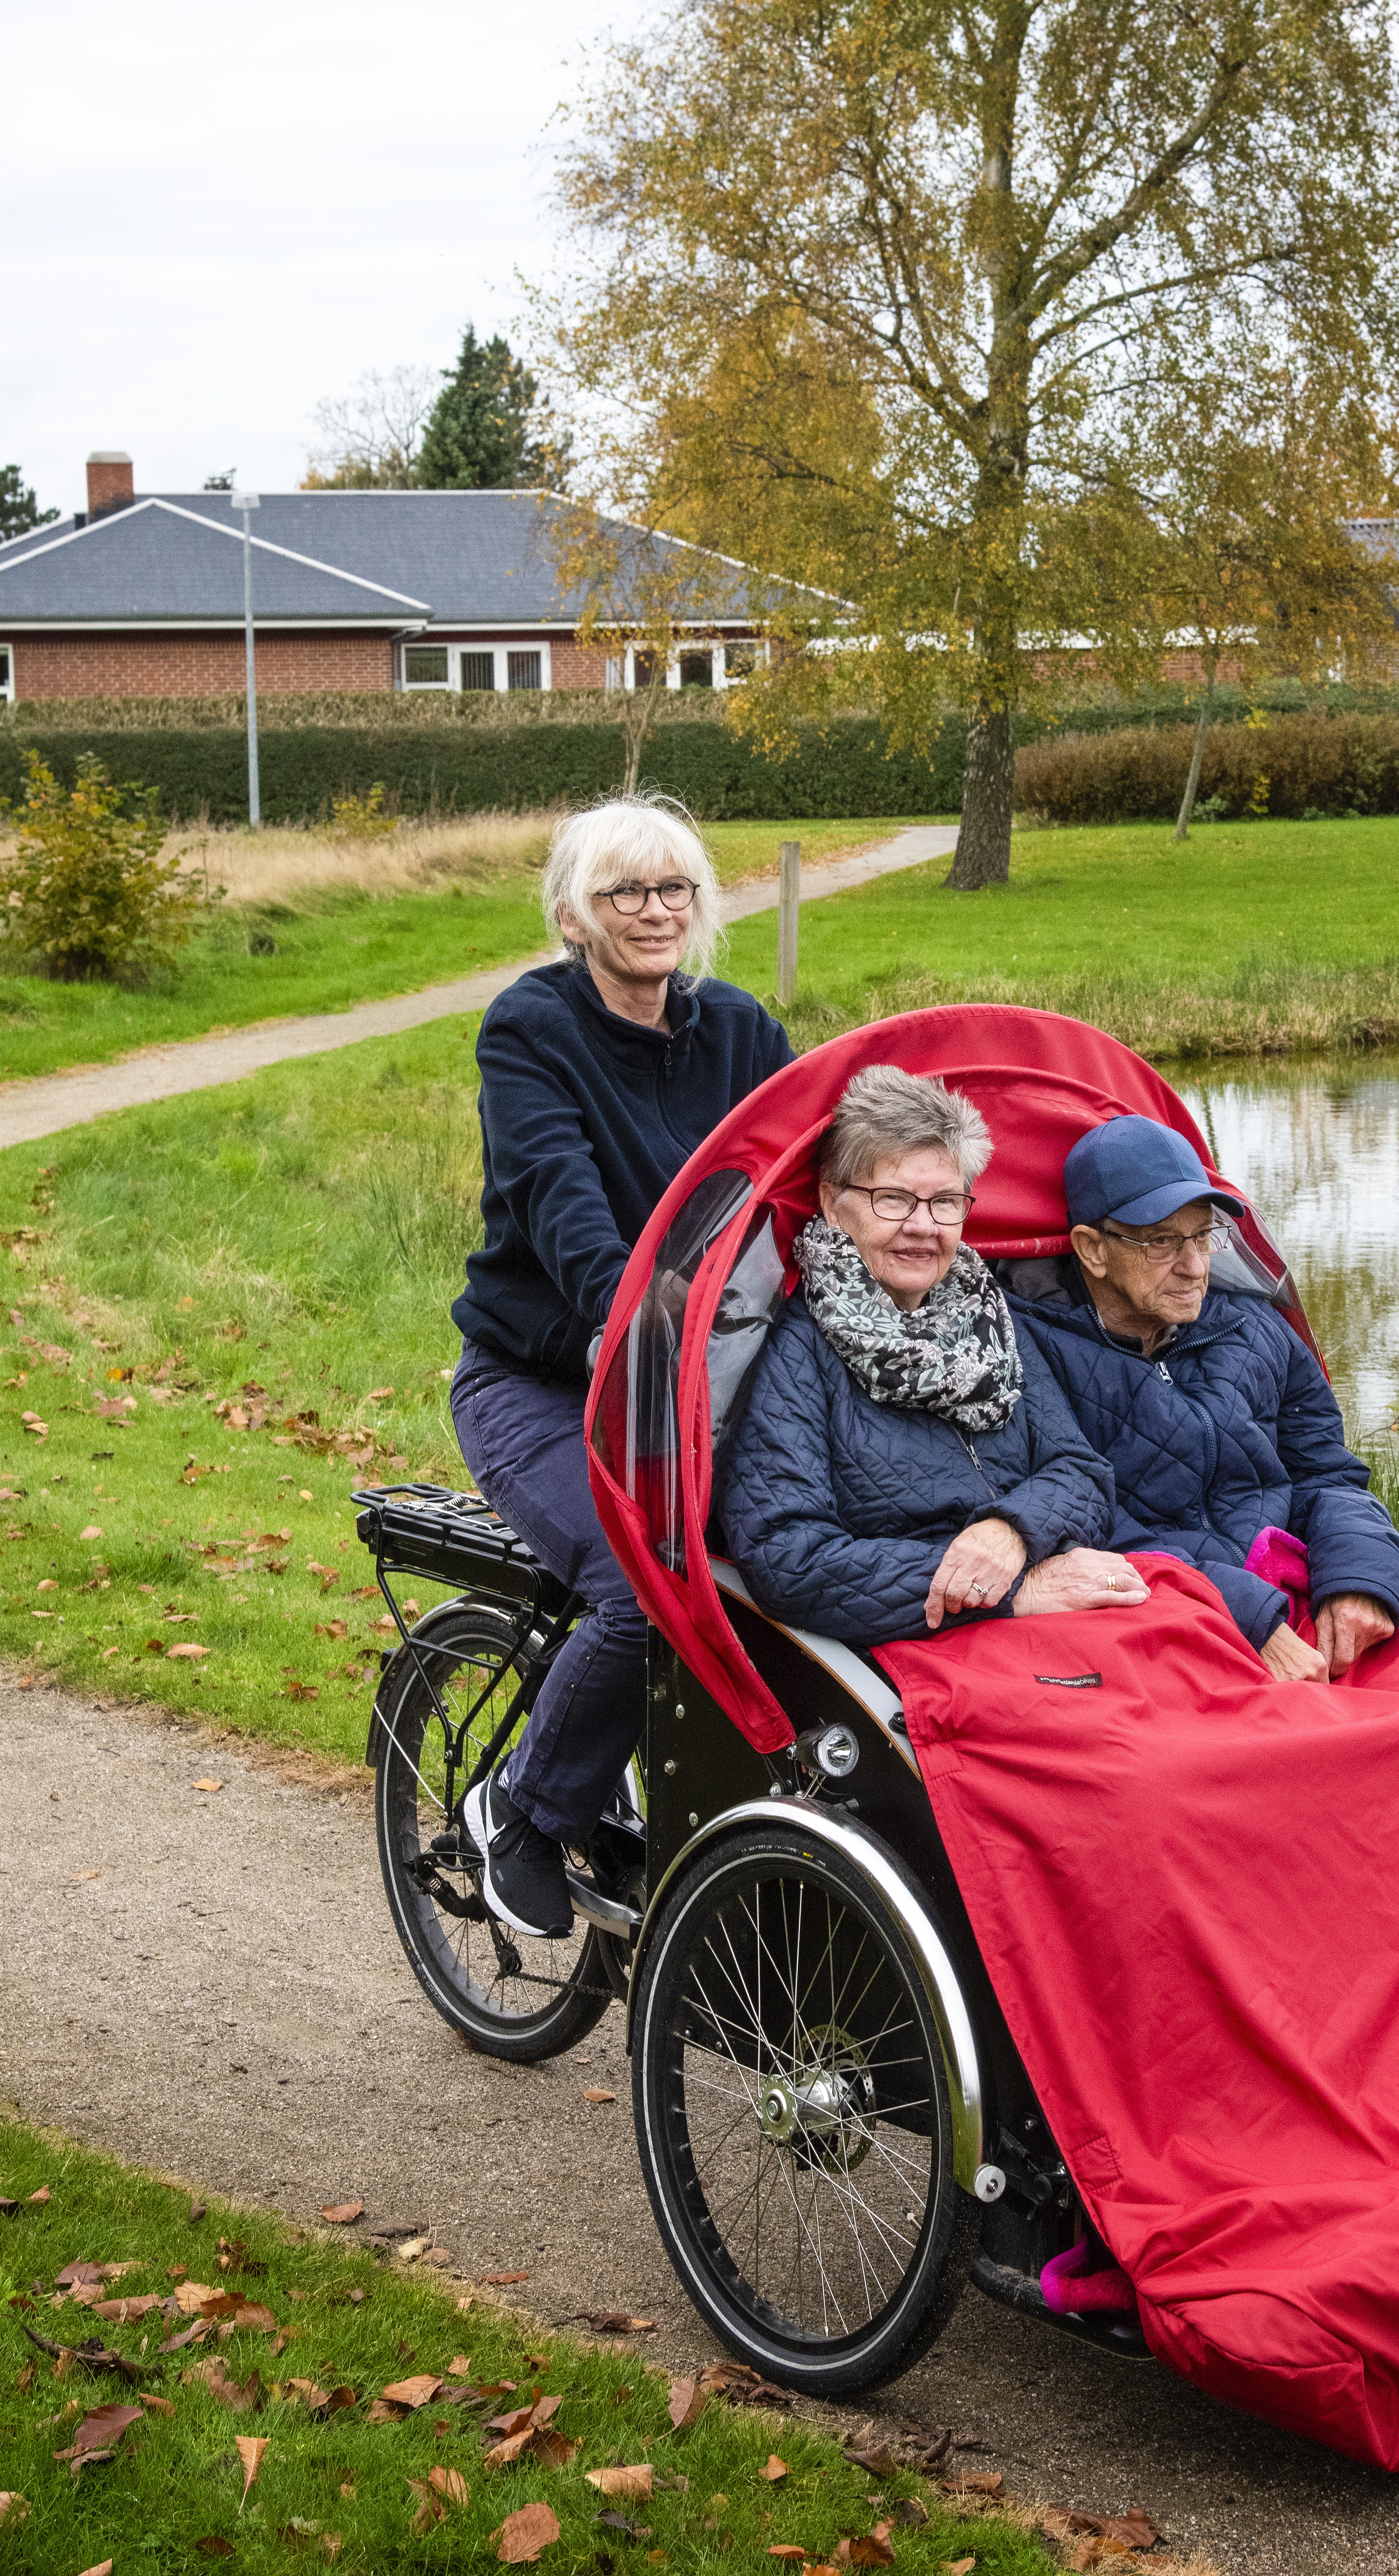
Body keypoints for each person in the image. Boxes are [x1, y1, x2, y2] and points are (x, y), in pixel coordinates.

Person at [450, 792, 793, 1938]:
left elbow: (804, 1184)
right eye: (624, 893)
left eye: (674, 890)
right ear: (572, 916)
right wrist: (628, 1324)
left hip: (704, 1381)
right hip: (545, 1384)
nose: (654, 912)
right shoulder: (530, 1030)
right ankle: (526, 1812)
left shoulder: (739, 1031)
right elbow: (565, 1206)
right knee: (646, 1585)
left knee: (793, 1570)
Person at [717, 1066, 1144, 1646]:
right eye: (893, 1199)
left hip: (1059, 1601)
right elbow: (789, 1560)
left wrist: (1011, 1533)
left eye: (945, 1202)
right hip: (924, 1645)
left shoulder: (993, 1319)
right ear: (833, 1203)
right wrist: (1010, 1592)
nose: (923, 1227)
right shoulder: (794, 1349)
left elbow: (1084, 1475)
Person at [1011, 1115, 1399, 1683]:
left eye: (1203, 1236)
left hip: (1296, 1596)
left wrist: (1359, 1578)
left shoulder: (1258, 1328)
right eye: (1163, 1241)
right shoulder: (1028, 1354)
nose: (1196, 1267)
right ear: (1092, 1249)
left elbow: (1327, 1474)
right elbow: (1082, 1528)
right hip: (1149, 1627)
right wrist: (1253, 1623)